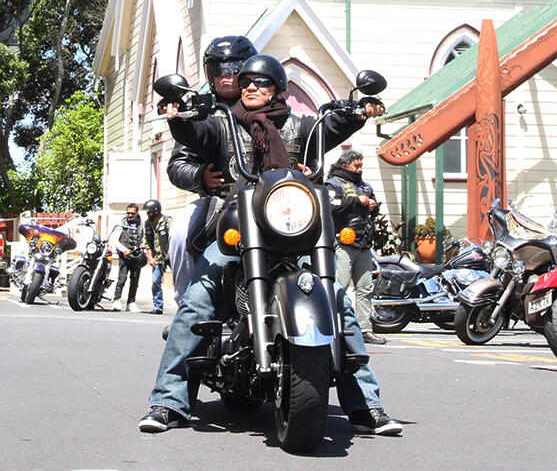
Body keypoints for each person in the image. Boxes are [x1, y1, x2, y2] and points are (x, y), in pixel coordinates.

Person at [139, 54, 401, 436]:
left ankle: (367, 406)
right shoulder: (224, 122)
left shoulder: (304, 127)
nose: (249, 87)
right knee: (197, 301)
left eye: (259, 82)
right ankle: (168, 402)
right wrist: (181, 116)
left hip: (291, 230)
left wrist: (359, 109)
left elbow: (334, 125)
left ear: (279, 89)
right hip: (238, 228)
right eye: (245, 81)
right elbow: (195, 135)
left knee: (339, 303)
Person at [166, 35, 257, 305]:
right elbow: (177, 164)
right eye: (218, 69)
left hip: (267, 199)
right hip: (217, 200)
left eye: (233, 68)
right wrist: (200, 178)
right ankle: (187, 305)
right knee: (181, 234)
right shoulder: (200, 110)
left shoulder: (268, 105)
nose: (225, 76)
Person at [326, 150, 385, 345]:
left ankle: (365, 329)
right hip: (342, 242)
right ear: (344, 165)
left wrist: (373, 207)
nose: (359, 169)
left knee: (365, 288)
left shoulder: (365, 186)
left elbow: (374, 210)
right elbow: (329, 206)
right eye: (356, 166)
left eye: (361, 166)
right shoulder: (333, 184)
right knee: (339, 286)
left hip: (364, 242)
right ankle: (334, 325)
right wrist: (356, 201)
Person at [111, 203, 145, 312]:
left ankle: (131, 302)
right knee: (122, 278)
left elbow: (145, 238)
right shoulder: (121, 223)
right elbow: (114, 240)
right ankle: (116, 300)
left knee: (135, 280)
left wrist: (143, 245)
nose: (130, 215)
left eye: (132, 213)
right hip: (124, 255)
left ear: (137, 213)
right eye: (128, 213)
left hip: (136, 256)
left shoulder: (142, 224)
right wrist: (123, 249)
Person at [143, 200, 172, 315]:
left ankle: (184, 306)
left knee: (180, 281)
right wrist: (150, 257)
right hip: (158, 258)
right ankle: (158, 306)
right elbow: (148, 242)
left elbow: (174, 237)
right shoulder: (147, 224)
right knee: (155, 282)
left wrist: (170, 254)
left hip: (171, 256)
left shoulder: (167, 221)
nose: (148, 214)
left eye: (149, 212)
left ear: (156, 211)